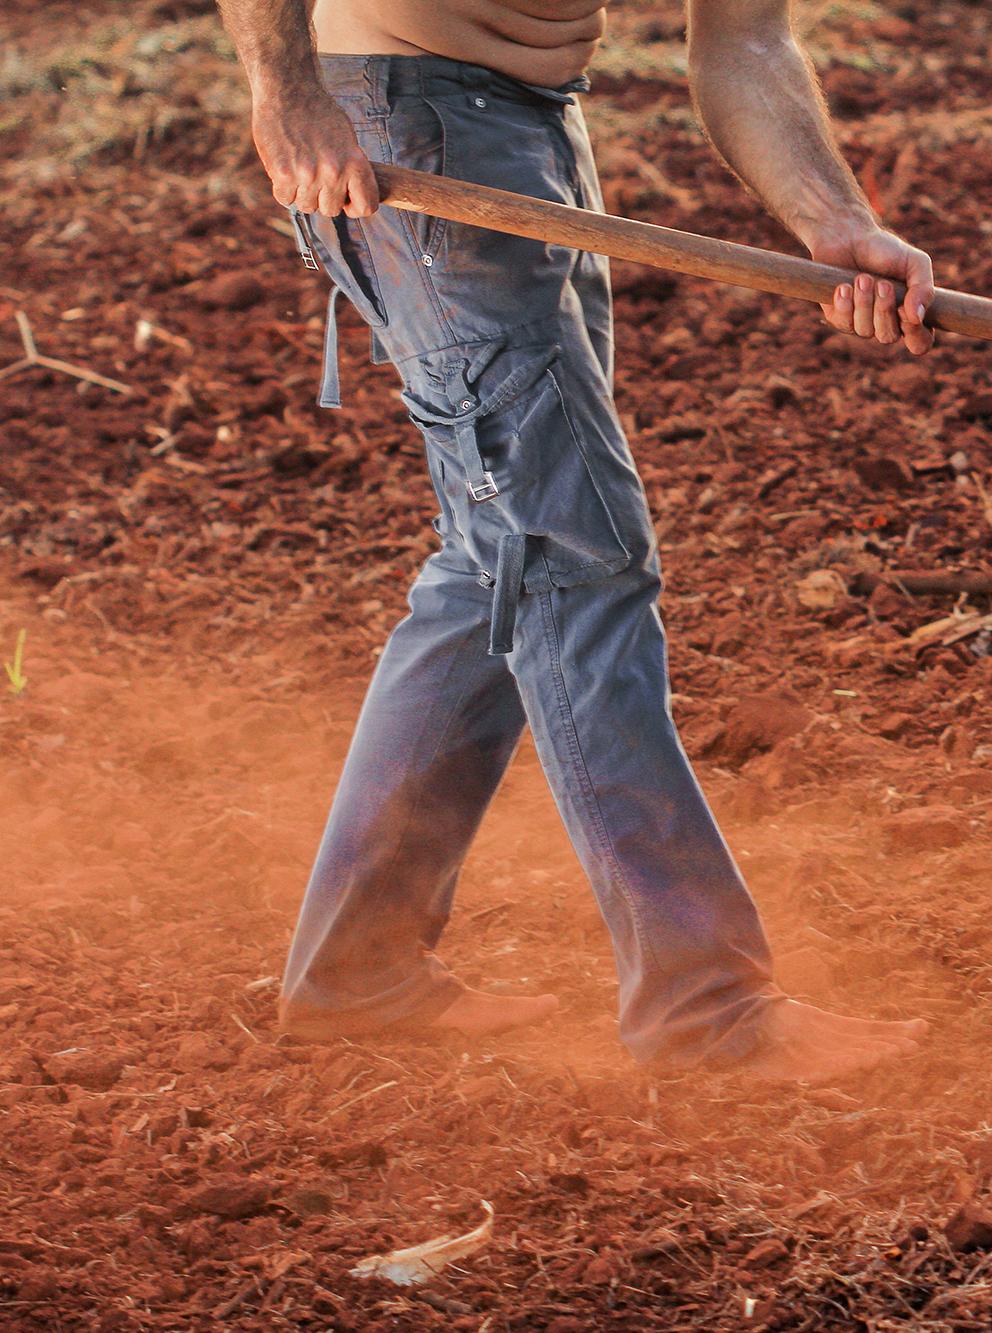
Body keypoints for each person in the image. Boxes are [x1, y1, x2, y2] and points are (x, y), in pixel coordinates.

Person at [216, 0, 932, 1080]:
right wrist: (286, 92)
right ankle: (706, 1011)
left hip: (525, 124)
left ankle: (356, 969)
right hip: (398, 125)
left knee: (497, 558)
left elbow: (742, 40)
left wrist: (832, 221)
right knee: (570, 559)